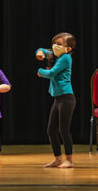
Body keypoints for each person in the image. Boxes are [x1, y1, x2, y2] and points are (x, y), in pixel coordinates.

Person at [36, 32, 76, 168]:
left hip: (66, 98)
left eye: (59, 44)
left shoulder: (65, 58)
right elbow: (42, 50)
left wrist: (40, 71)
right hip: (58, 99)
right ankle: (58, 159)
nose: (55, 46)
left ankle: (69, 160)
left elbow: (51, 73)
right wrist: (40, 53)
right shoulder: (57, 55)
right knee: (51, 130)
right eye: (54, 43)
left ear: (68, 48)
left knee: (63, 130)